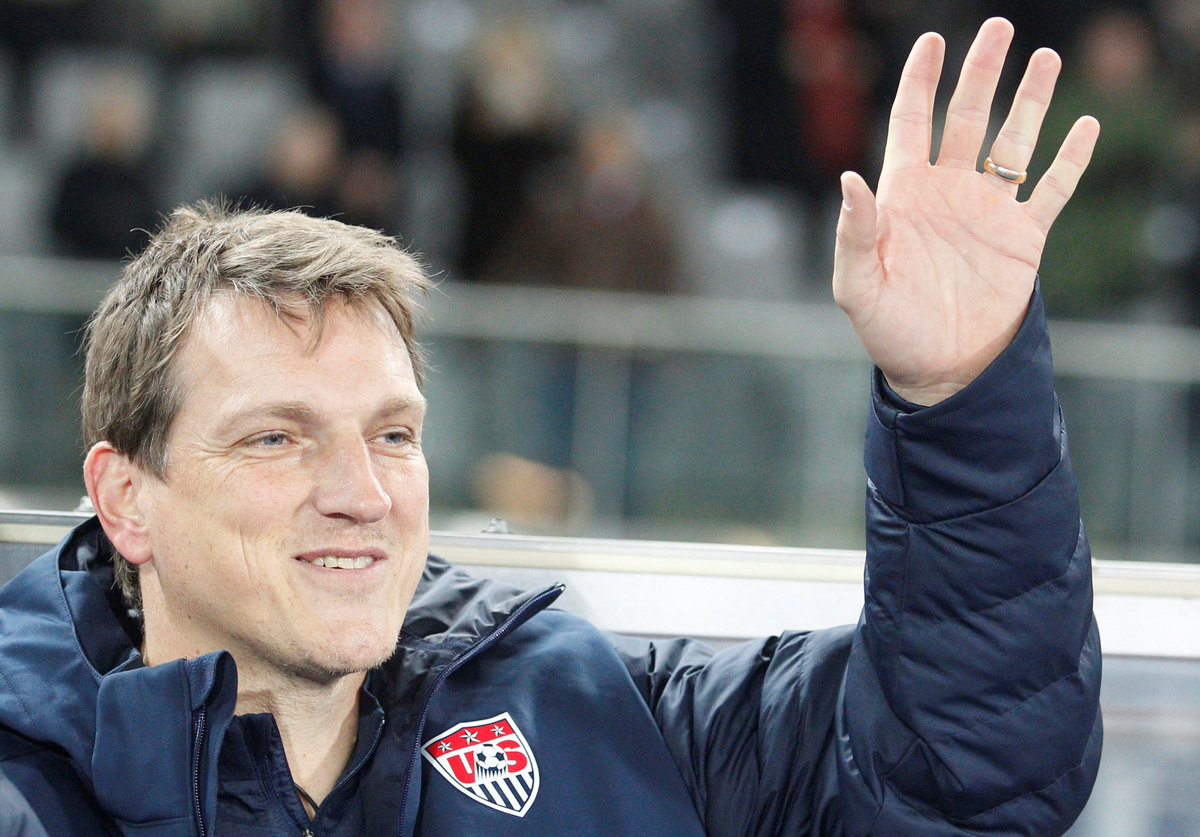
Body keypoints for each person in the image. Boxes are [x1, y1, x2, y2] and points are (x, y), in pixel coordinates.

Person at [0, 18, 1101, 835]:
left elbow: (960, 769)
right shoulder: (29, 785)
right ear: (126, 498)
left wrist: (960, 398)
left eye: (393, 435)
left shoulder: (595, 707)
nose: (363, 494)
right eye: (277, 438)